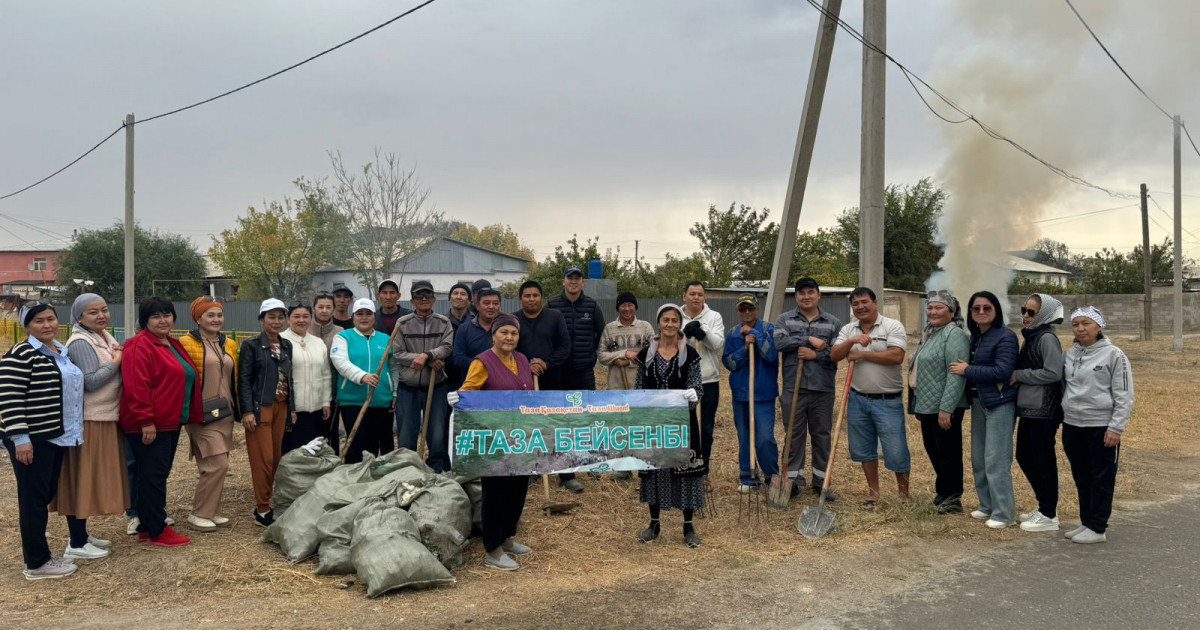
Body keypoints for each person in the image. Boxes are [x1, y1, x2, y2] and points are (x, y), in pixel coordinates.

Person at [1, 303, 85, 579]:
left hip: (56, 435)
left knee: (44, 494)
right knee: (33, 499)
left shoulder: (60, 352)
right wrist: (20, 438)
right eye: (39, 321)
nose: (47, 325)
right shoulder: (20, 355)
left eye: (51, 319)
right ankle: (37, 562)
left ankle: (41, 555)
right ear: (28, 326)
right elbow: (9, 398)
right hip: (32, 438)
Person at [447, 313, 534, 571]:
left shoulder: (522, 359)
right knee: (495, 492)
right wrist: (458, 399)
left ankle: (507, 537)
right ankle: (493, 550)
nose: (509, 337)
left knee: (517, 488)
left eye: (513, 333)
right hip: (493, 439)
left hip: (520, 438)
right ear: (493, 335)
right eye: (503, 332)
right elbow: (469, 391)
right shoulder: (483, 362)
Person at [120, 297, 199, 547]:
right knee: (153, 476)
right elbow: (137, 385)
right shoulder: (139, 345)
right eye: (155, 316)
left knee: (155, 474)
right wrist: (146, 420)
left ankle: (146, 524)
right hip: (151, 423)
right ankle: (157, 530)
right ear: (145, 321)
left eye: (167, 314)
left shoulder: (172, 344)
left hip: (171, 420)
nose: (163, 320)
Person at [55, 295, 129, 559]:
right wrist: (117, 361)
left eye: (104, 310)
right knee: (82, 478)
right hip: (89, 420)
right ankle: (75, 542)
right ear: (79, 318)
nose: (102, 315)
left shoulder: (103, 337)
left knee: (89, 479)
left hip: (104, 417)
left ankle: (82, 535)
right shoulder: (81, 343)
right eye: (93, 312)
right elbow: (91, 381)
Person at [831, 287, 910, 509]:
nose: (860, 307)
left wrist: (861, 354)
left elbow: (897, 356)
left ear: (875, 303)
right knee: (864, 449)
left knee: (896, 449)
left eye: (864, 302)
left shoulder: (892, 326)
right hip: (858, 399)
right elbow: (834, 356)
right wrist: (851, 342)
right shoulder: (848, 329)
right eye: (855, 304)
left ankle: (904, 497)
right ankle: (873, 495)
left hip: (888, 400)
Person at [1061, 307, 1133, 544]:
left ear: (1099, 327)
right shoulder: (1071, 354)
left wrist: (1116, 427)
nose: (1080, 328)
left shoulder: (1114, 355)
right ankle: (1087, 522)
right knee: (1081, 475)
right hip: (1073, 424)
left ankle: (1098, 527)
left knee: (1101, 477)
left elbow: (1124, 394)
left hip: (1101, 426)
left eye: (1086, 323)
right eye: (1076, 324)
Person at [635, 304, 704, 548]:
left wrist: (692, 396)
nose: (670, 324)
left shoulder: (691, 354)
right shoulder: (646, 355)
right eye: (666, 320)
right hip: (653, 425)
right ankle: (654, 524)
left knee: (685, 474)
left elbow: (698, 386)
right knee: (654, 471)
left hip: (681, 424)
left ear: (680, 324)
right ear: (659, 323)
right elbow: (638, 389)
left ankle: (688, 527)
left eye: (675, 320)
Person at [950, 291, 1019, 529]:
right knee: (979, 457)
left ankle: (1005, 513)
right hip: (979, 403)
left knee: (996, 459)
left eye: (986, 308)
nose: (981, 312)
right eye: (975, 308)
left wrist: (968, 370)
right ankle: (987, 505)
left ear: (996, 311)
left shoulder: (1006, 337)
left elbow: (1002, 371)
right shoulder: (976, 337)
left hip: (1000, 403)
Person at [774, 277, 842, 499]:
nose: (806, 296)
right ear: (796, 297)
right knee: (793, 436)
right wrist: (808, 339)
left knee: (822, 435)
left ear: (818, 295)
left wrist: (818, 353)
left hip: (822, 389)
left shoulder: (833, 323)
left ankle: (821, 481)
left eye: (810, 292)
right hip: (794, 389)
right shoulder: (785, 319)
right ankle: (791, 480)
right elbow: (779, 343)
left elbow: (838, 353)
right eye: (801, 293)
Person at [178, 297, 240, 533]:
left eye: (219, 315)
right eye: (210, 315)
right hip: (201, 412)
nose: (216, 320)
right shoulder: (184, 343)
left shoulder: (230, 344)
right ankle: (199, 513)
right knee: (217, 465)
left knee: (216, 464)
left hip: (225, 412)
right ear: (198, 318)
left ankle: (210, 510)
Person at [907, 291, 970, 514]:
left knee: (948, 452)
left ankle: (953, 498)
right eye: (930, 307)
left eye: (939, 308)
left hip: (944, 406)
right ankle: (943, 491)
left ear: (952, 313)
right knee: (935, 450)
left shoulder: (954, 334)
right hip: (928, 403)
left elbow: (956, 373)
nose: (932, 312)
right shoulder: (932, 333)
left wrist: (947, 408)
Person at [546, 266, 606, 494]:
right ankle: (566, 474)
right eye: (570, 278)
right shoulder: (552, 305)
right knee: (563, 423)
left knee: (586, 420)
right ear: (563, 282)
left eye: (577, 279)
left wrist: (593, 357)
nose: (573, 282)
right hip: (558, 373)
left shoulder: (591, 306)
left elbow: (602, 334)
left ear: (583, 283)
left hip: (583, 372)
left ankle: (589, 463)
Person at [238, 298, 296, 527]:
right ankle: (262, 508)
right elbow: (244, 380)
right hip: (261, 406)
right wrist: (247, 411)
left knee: (276, 459)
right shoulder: (251, 345)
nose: (276, 321)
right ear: (262, 320)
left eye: (280, 317)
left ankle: (270, 500)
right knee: (263, 458)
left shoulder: (287, 345)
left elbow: (289, 379)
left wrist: (291, 407)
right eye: (271, 317)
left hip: (282, 406)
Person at [1013, 293, 1066, 532]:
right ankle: (1044, 506)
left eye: (1031, 312)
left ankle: (1048, 513)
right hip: (1032, 408)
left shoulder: (1046, 338)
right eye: (1024, 310)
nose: (1025, 315)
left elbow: (1053, 372)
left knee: (1041, 459)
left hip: (1045, 410)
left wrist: (1020, 375)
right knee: (1025, 456)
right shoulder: (1033, 336)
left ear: (1043, 315)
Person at [391, 280, 454, 472]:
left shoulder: (443, 322)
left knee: (436, 435)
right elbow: (398, 353)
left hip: (436, 386)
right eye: (419, 297)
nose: (424, 299)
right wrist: (425, 358)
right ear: (413, 301)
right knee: (406, 434)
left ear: (434, 300)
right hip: (408, 386)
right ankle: (407, 470)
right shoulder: (403, 323)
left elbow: (447, 347)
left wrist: (429, 355)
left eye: (427, 296)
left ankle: (435, 471)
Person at [721, 295, 779, 492]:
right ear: (738, 311)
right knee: (745, 437)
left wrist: (754, 334)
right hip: (742, 394)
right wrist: (745, 349)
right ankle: (748, 477)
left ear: (757, 309)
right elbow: (729, 363)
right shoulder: (732, 334)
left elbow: (771, 355)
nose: (747, 313)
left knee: (764, 438)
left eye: (750, 309)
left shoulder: (768, 329)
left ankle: (771, 476)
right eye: (742, 309)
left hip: (763, 393)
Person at [330, 298, 396, 464]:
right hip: (352, 401)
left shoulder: (385, 339)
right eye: (360, 314)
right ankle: (354, 479)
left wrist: (394, 391)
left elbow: (394, 367)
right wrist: (362, 376)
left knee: (377, 444)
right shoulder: (343, 337)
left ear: (374, 317)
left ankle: (374, 481)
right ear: (353, 317)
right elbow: (340, 361)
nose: (364, 317)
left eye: (368, 314)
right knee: (356, 443)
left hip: (380, 400)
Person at [680, 281, 724, 486]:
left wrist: (703, 333)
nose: (696, 298)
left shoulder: (714, 317)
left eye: (700, 294)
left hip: (708, 381)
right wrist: (685, 335)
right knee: (685, 428)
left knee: (705, 430)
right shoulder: (676, 316)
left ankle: (703, 471)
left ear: (704, 298)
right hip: (682, 381)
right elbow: (668, 344)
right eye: (692, 294)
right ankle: (684, 468)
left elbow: (717, 345)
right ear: (684, 296)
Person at [281, 303, 332, 453]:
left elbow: (325, 374)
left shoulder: (317, 342)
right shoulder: (281, 341)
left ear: (311, 319)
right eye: (296, 316)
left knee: (314, 448)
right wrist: (289, 406)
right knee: (292, 449)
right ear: (288, 319)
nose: (301, 320)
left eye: (305, 316)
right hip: (291, 409)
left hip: (316, 408)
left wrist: (325, 401)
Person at [513, 280, 571, 389]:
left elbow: (565, 345)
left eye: (535, 295)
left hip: (553, 377)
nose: (531, 299)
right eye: (527, 296)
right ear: (520, 298)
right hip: (521, 378)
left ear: (542, 297)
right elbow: (509, 349)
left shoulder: (555, 316)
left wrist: (546, 364)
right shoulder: (513, 320)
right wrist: (526, 367)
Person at [598, 292, 653, 392]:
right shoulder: (609, 328)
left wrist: (628, 362)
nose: (627, 309)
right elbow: (602, 356)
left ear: (635, 307)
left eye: (630, 305)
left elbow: (652, 355)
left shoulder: (645, 327)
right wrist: (624, 353)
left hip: (640, 385)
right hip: (615, 387)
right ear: (618, 308)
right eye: (623, 305)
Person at [311, 292, 344, 451]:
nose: (324, 311)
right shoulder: (303, 328)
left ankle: (332, 465)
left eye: (328, 307)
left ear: (333, 309)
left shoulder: (340, 331)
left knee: (330, 431)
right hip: (307, 392)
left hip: (331, 392)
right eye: (320, 307)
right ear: (314, 308)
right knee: (310, 432)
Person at [453, 288, 503, 391]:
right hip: (473, 386)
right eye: (486, 303)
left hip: (501, 387)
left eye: (495, 303)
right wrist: (484, 366)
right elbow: (458, 358)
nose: (491, 307)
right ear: (477, 306)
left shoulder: (506, 329)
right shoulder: (464, 329)